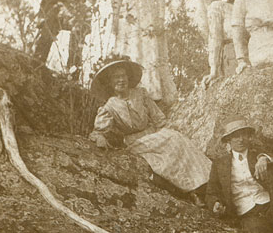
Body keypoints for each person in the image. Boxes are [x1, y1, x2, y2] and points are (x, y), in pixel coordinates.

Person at [88, 56, 211, 201]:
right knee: (170, 144)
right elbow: (99, 130)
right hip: (136, 142)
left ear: (128, 78)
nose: (121, 80)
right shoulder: (109, 106)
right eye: (116, 77)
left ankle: (207, 181)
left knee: (176, 139)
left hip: (155, 134)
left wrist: (167, 129)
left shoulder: (140, 94)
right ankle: (193, 189)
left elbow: (158, 117)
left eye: (123, 76)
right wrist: (100, 137)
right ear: (110, 82)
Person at [110, 0, 178, 107]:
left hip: (148, 14)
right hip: (129, 15)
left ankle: (154, 94)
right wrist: (115, 20)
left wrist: (160, 20)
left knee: (150, 51)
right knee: (132, 50)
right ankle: (131, 93)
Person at [205, 119, 273, 233]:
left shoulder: (257, 155)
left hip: (269, 204)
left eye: (244, 135)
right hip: (246, 211)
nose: (241, 139)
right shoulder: (220, 164)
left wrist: (264, 158)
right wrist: (215, 203)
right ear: (228, 140)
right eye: (235, 136)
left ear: (249, 137)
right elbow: (211, 192)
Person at [200, 0, 241, 84]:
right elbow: (215, 38)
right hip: (231, 56)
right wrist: (214, 69)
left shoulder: (245, 3)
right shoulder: (217, 6)